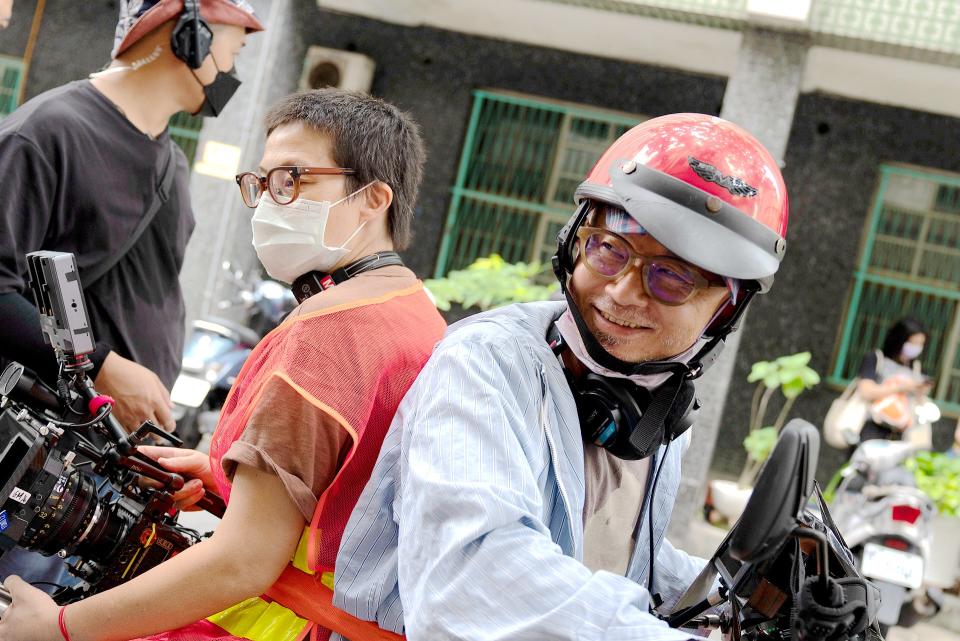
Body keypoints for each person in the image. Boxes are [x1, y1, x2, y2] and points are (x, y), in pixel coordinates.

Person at [0, 87, 446, 641]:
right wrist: (224, 478)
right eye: (259, 183)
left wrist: (59, 628)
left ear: (374, 198)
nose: (266, 202)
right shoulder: (411, 308)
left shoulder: (326, 333)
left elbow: (242, 563)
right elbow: (350, 500)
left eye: (292, 180)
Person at [331, 113, 790, 641]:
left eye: (672, 278)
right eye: (609, 249)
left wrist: (753, 601)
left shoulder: (653, 410)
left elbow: (618, 558)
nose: (621, 292)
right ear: (573, 242)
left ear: (724, 312)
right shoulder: (485, 366)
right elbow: (476, 580)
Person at [0, 0, 263, 592]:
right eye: (233, 45)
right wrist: (105, 368)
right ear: (189, 35)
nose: (233, 66)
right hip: (40, 474)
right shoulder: (50, 133)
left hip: (107, 478)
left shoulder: (169, 159)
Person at [855, 317, 933, 443]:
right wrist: (901, 387)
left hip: (902, 435)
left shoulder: (917, 369)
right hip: (872, 427)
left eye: (920, 344)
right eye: (913, 343)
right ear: (900, 340)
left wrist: (920, 390)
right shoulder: (876, 359)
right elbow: (866, 391)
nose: (916, 348)